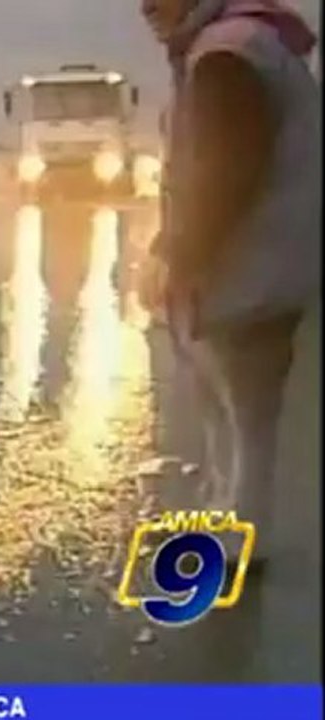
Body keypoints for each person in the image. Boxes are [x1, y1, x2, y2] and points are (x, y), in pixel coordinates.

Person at [139, 0, 321, 569]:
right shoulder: (242, 45)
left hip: (250, 267)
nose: (145, 7)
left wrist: (181, 254)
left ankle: (240, 543)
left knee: (246, 417)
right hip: (261, 263)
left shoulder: (227, 54)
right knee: (228, 407)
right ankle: (223, 520)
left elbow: (222, 170)